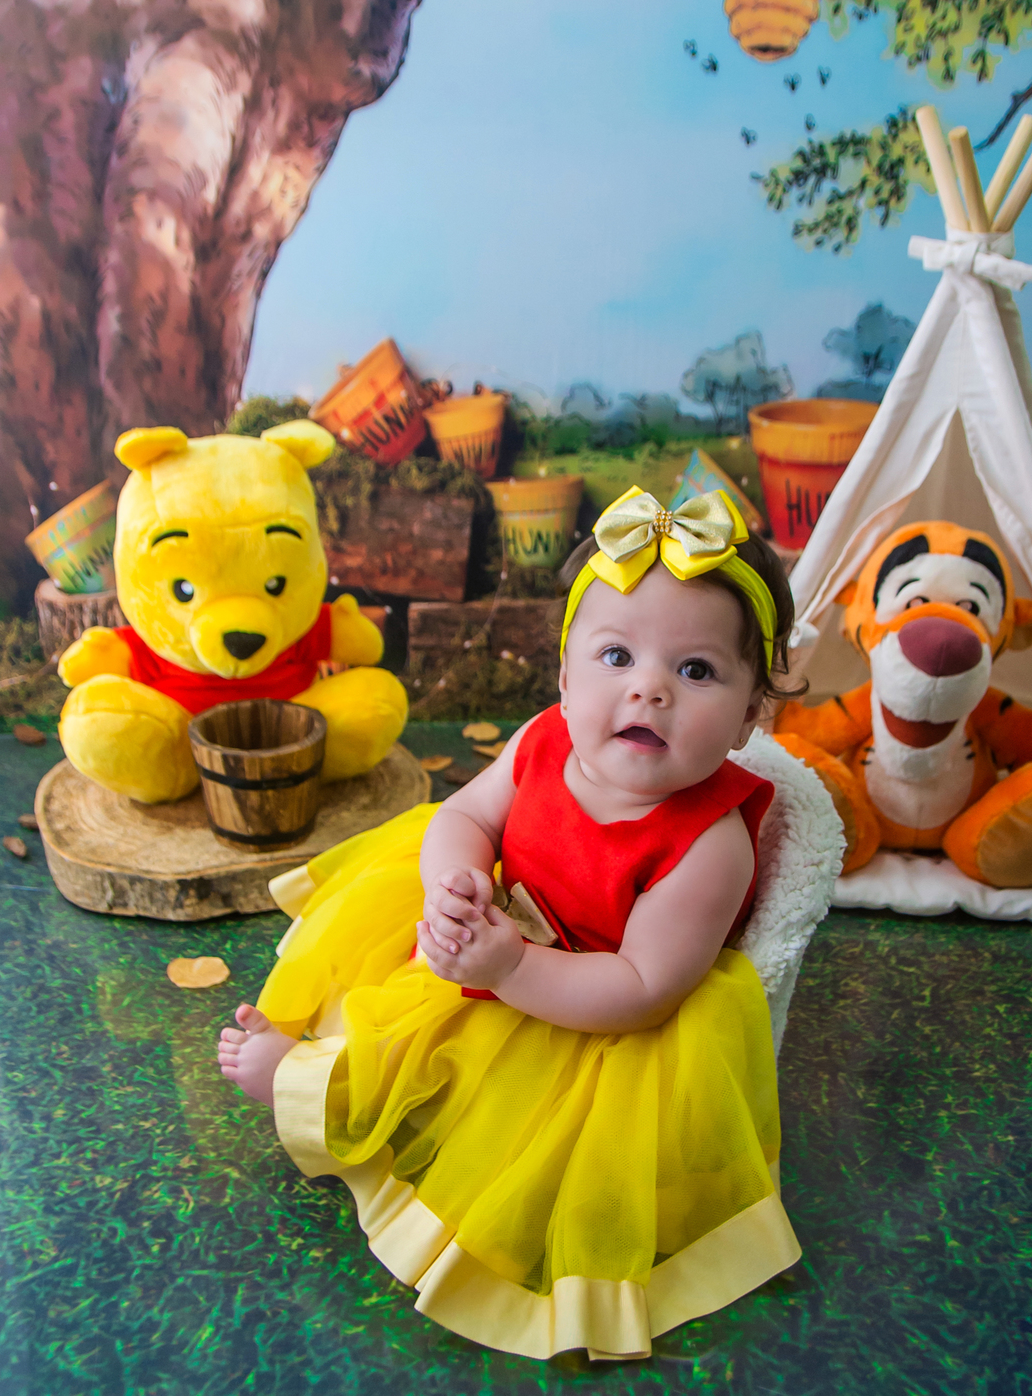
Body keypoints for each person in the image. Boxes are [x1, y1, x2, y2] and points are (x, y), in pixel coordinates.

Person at [218, 485, 801, 1360]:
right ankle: (321, 1069)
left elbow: (642, 986)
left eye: (696, 671)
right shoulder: (543, 739)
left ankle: (325, 1100)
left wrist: (512, 970)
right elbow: (466, 815)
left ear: (752, 712)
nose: (648, 689)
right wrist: (453, 883)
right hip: (494, 933)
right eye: (616, 655)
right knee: (390, 1004)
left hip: (586, 1011)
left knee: (496, 1115)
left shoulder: (709, 845)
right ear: (565, 676)